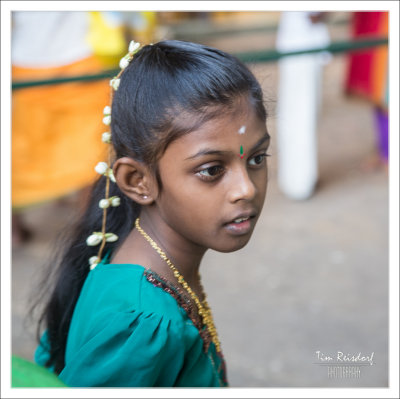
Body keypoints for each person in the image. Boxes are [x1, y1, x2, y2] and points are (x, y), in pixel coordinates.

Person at [33, 40, 270, 387]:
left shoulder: (133, 255)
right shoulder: (143, 324)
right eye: (211, 170)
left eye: (257, 159)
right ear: (138, 181)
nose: (246, 189)